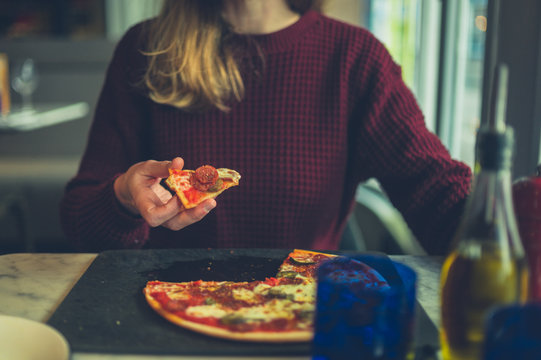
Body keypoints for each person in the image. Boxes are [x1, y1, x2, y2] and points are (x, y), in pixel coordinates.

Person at [60, 0, 471, 254]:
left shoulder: (355, 58)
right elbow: (80, 225)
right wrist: (123, 198)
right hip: (164, 317)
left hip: (305, 323)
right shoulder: (144, 49)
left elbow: (437, 194)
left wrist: (519, 215)